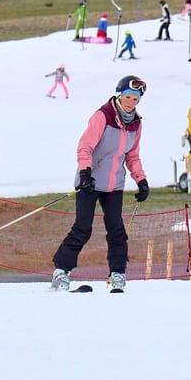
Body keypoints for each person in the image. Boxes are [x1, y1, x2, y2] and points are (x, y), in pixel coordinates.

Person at [51, 76, 149, 292]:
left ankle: (118, 274)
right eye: (128, 97)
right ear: (119, 94)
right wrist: (85, 171)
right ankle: (61, 271)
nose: (131, 102)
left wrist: (141, 180)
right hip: (91, 180)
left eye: (136, 99)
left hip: (114, 183)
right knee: (83, 227)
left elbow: (132, 155)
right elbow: (84, 146)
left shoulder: (136, 123)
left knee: (116, 230)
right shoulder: (102, 116)